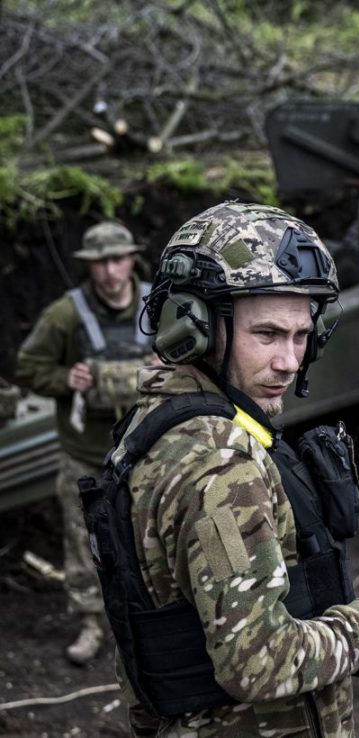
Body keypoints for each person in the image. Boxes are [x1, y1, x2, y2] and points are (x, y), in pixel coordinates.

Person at [78, 202, 359, 736]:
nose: (290, 360)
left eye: (302, 336)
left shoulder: (158, 420)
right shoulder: (219, 463)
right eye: (268, 334)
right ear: (193, 329)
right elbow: (261, 661)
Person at [14, 221, 154, 665]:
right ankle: (92, 624)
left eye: (117, 259)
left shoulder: (160, 304)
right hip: (85, 456)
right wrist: (63, 378)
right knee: (83, 542)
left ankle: (155, 621)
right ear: (89, 267)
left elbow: (200, 357)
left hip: (149, 450)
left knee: (154, 536)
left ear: (132, 258)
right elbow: (28, 366)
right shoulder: (66, 315)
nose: (110, 272)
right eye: (100, 263)